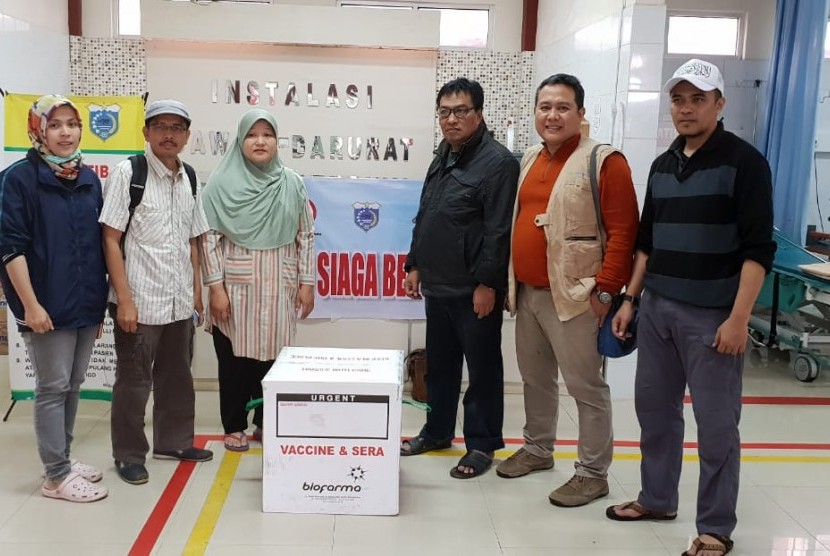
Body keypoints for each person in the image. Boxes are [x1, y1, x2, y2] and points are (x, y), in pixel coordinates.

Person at [605, 59, 776, 556]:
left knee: (718, 424)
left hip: (712, 316)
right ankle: (657, 498)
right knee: (655, 412)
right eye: (678, 99)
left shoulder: (744, 163)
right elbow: (646, 242)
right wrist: (630, 300)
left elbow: (756, 250)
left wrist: (739, 318)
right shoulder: (663, 164)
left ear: (719, 104)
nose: (686, 108)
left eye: (698, 98)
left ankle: (715, 528)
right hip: (656, 308)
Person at [494, 74, 639, 507]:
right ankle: (538, 450)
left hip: (578, 295)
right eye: (544, 107)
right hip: (530, 292)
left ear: (580, 113)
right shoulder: (532, 158)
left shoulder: (604, 160)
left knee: (585, 386)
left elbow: (624, 231)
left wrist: (607, 291)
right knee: (536, 379)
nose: (552, 115)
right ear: (535, 113)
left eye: (562, 107)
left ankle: (593, 472)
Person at [401, 78, 519, 479]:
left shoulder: (499, 162)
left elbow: (498, 229)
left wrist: (488, 284)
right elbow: (426, 212)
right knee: (442, 366)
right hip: (438, 283)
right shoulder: (443, 155)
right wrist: (414, 263)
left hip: (474, 290)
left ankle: (482, 445)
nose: (451, 120)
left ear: (479, 114)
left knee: (483, 369)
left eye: (460, 111)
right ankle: (436, 432)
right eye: (445, 112)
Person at [0, 95, 109, 502]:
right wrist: (30, 305)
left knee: (73, 384)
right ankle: (55, 477)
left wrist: (97, 304)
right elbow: (10, 248)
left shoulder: (87, 178)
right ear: (38, 130)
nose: (66, 132)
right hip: (45, 304)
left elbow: (97, 245)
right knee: (52, 386)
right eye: (56, 124)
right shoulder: (18, 178)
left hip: (84, 301)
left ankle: (62, 457)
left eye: (72, 124)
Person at [100, 99, 213, 485]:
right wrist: (125, 300)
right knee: (133, 384)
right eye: (161, 126)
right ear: (146, 131)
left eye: (177, 128)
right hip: (140, 303)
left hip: (178, 301)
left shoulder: (190, 177)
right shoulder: (128, 173)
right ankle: (129, 454)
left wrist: (196, 294)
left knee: (177, 377)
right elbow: (111, 239)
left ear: (187, 135)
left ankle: (174, 442)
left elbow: (193, 241)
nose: (169, 134)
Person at [201, 109, 315, 452]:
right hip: (236, 289)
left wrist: (307, 283)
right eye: (252, 134)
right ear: (240, 141)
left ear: (277, 141)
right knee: (235, 360)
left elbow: (306, 236)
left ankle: (267, 423)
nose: (260, 141)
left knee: (274, 359)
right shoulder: (220, 184)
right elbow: (208, 239)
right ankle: (234, 425)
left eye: (267, 134)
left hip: (280, 285)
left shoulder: (291, 182)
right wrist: (216, 288)